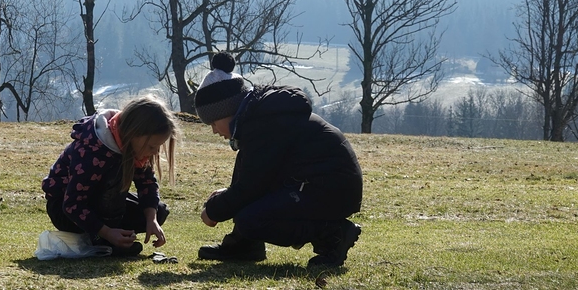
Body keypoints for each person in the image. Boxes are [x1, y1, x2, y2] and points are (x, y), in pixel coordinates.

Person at [194, 52, 363, 267]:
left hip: (330, 190)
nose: (214, 131)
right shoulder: (261, 119)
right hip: (316, 184)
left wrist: (213, 210)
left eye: (213, 122)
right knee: (244, 167)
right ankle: (245, 244)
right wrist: (229, 195)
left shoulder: (265, 125)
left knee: (252, 220)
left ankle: (333, 234)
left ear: (228, 111)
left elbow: (252, 187)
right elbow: (256, 177)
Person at [42, 94, 178, 256]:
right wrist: (108, 233)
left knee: (158, 210)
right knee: (116, 177)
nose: (155, 152)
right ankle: (102, 239)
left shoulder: (135, 148)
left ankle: (107, 235)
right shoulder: (92, 153)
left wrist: (152, 219)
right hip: (65, 210)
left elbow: (147, 183)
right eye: (151, 146)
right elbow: (72, 205)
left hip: (106, 205)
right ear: (134, 134)